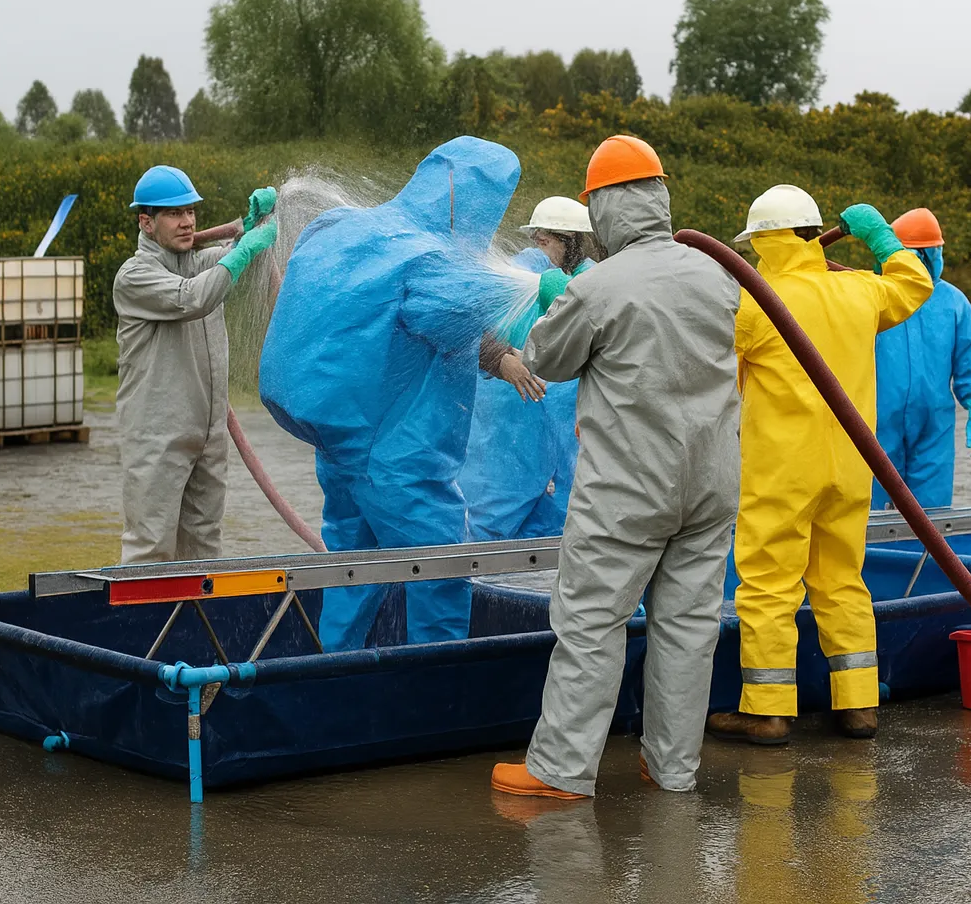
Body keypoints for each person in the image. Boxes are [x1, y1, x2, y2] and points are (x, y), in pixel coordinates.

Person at [489, 135, 742, 799]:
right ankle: (672, 768)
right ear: (657, 197)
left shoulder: (599, 285)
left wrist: (557, 298)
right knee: (689, 629)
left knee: (590, 623)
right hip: (712, 484)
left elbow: (547, 359)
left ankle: (561, 771)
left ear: (601, 207)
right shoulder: (714, 272)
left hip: (631, 487)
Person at [260, 136, 529, 651]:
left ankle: (334, 675)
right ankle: (438, 693)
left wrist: (495, 348)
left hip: (341, 448)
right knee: (441, 572)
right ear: (471, 199)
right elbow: (447, 314)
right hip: (401, 459)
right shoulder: (430, 259)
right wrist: (535, 297)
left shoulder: (347, 227)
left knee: (351, 569)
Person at [707, 185, 931, 746]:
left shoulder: (753, 302)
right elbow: (914, 283)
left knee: (767, 586)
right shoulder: (858, 292)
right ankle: (857, 706)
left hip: (781, 471)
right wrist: (883, 238)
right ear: (811, 235)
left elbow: (696, 357)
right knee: (842, 581)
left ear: (762, 241)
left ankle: (767, 710)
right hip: (853, 467)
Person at [113, 166, 277, 564]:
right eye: (174, 214)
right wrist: (244, 247)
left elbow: (237, 266)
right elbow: (193, 298)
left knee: (204, 551)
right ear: (146, 223)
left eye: (190, 211)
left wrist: (254, 229)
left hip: (208, 435)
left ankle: (195, 629)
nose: (187, 221)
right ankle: (145, 629)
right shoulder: (134, 276)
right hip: (157, 436)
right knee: (149, 551)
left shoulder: (198, 263)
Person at [462, 196, 598, 540]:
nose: (539, 243)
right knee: (487, 527)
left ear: (574, 241)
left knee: (565, 530)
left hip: (569, 445)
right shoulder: (519, 275)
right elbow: (465, 332)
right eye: (536, 238)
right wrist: (501, 357)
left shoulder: (594, 283)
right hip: (505, 441)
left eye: (546, 239)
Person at [870, 208, 971, 510]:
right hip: (877, 420)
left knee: (931, 513)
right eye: (933, 251)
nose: (938, 257)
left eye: (939, 251)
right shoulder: (875, 294)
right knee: (871, 509)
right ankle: (873, 558)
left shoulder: (954, 303)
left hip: (934, 422)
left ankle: (926, 559)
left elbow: (968, 364)